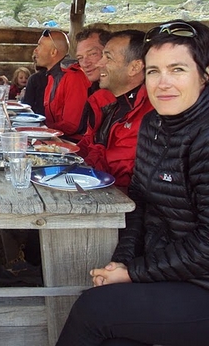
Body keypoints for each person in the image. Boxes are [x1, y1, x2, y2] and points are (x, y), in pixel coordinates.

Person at [56, 19, 209, 346]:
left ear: (205, 74)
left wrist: (133, 273)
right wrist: (122, 262)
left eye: (177, 69)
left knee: (93, 310)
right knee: (115, 336)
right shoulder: (155, 123)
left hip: (201, 282)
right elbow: (139, 202)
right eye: (154, 71)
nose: (163, 83)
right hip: (169, 269)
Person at [80, 30, 153, 190]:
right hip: (93, 184)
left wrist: (77, 164)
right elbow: (87, 143)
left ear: (134, 67)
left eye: (108, 57)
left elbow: (117, 169)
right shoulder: (104, 101)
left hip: (121, 201)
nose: (99, 63)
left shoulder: (148, 112)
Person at [29, 29, 89, 141]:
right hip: (55, 138)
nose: (35, 51)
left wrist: (42, 130)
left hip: (72, 143)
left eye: (39, 46)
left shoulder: (74, 77)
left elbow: (71, 125)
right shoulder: (53, 75)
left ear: (53, 52)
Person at [74, 27, 116, 157]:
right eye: (80, 58)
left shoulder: (122, 94)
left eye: (92, 54)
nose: (85, 63)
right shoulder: (94, 90)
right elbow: (90, 140)